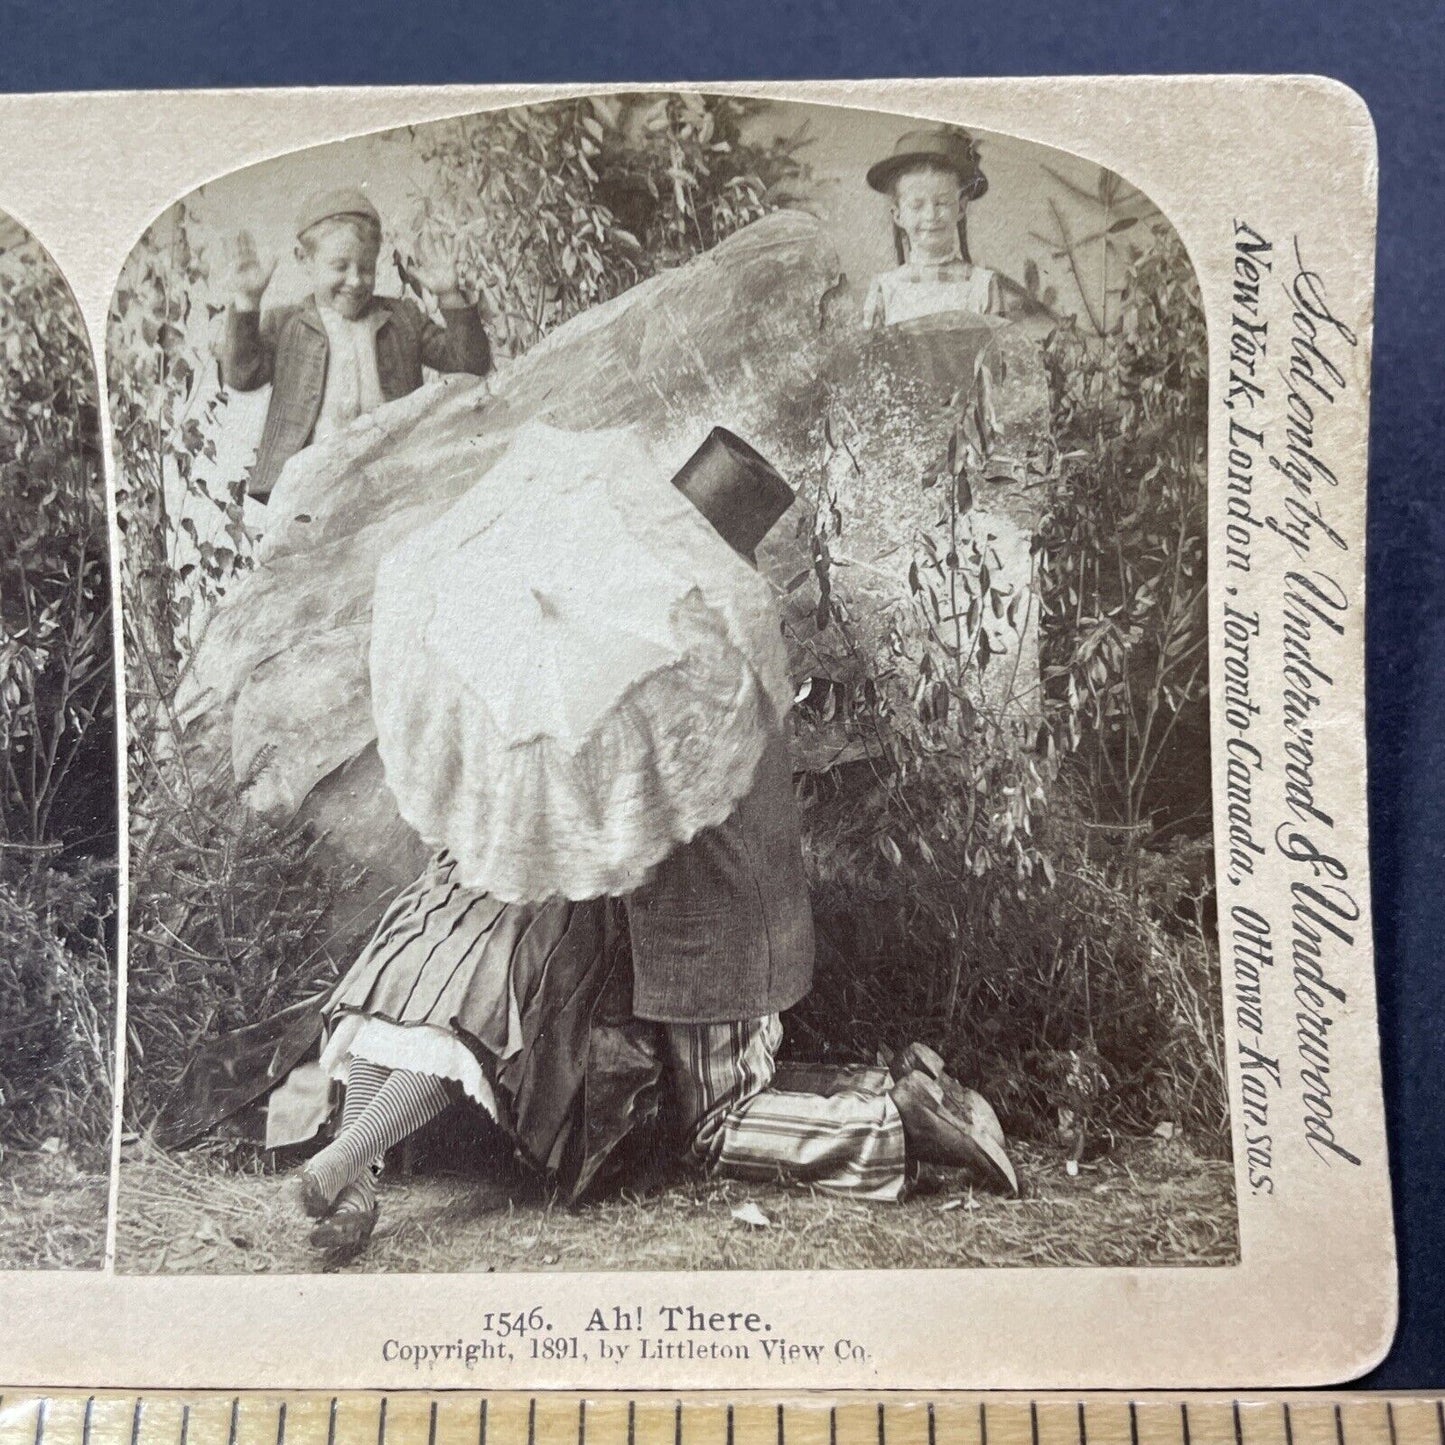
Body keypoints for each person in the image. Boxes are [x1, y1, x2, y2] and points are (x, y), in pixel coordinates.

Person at [624, 429, 1017, 1203]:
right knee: (749, 1072)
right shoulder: (737, 605)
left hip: (712, 916)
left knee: (716, 1122)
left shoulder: (682, 627)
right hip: (757, 900)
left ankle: (895, 1127)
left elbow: (658, 778)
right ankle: (897, 1079)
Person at [218, 187, 492, 502]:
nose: (355, 280)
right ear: (304, 260)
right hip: (310, 488)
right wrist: (247, 301)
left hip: (396, 476)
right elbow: (243, 374)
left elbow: (470, 365)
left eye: (366, 268)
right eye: (339, 266)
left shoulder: (402, 317)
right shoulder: (286, 324)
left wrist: (449, 295)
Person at [861, 127, 1005, 329]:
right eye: (917, 205)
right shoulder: (885, 289)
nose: (931, 216)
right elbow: (870, 358)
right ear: (898, 214)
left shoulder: (983, 285)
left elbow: (999, 354)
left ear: (961, 208)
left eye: (942, 203)